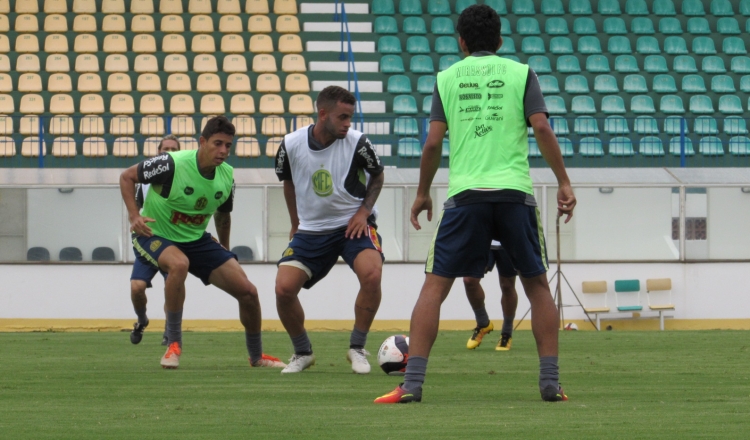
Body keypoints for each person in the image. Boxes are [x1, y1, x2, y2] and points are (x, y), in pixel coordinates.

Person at [375, 5, 576, 404]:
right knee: (537, 286)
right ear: (499, 40)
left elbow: (433, 143)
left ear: (461, 42)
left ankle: (412, 384)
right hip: (515, 194)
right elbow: (540, 126)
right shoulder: (522, 73)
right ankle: (550, 383)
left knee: (435, 286)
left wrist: (422, 193)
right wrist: (564, 182)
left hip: (465, 197)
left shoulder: (446, 78)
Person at [120, 116, 285, 370]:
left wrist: (225, 251)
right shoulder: (170, 163)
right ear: (202, 142)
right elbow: (126, 177)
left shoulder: (227, 175)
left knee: (249, 293)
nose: (223, 151)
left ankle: (256, 356)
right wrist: (134, 216)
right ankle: (173, 344)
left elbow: (223, 216)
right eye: (217, 144)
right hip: (154, 234)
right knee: (178, 264)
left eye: (228, 145)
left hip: (196, 239)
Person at [274, 86, 385, 374]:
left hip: (352, 225)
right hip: (311, 230)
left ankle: (357, 347)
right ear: (323, 114)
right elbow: (288, 183)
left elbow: (378, 176)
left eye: (350, 117)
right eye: (342, 117)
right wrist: (295, 223)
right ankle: (302, 352)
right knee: (283, 289)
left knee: (372, 275)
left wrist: (363, 212)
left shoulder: (359, 143)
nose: (348, 123)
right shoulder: (290, 144)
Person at [129, 135, 180, 346]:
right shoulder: (144, 180)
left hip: (173, 242)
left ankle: (170, 330)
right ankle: (142, 320)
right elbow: (137, 208)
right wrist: (137, 219)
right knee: (136, 287)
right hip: (149, 240)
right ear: (158, 152)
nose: (168, 153)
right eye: (165, 149)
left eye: (173, 150)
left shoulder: (185, 178)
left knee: (172, 286)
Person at [464, 241, 518, 351]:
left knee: (507, 286)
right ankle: (483, 323)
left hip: (507, 240)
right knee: (469, 280)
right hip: (483, 240)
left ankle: (506, 333)